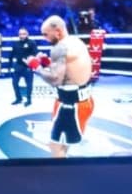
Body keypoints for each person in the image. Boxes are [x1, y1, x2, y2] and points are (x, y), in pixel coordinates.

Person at [39, 13, 96, 153]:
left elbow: (55, 79)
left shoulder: (60, 48)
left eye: (46, 34)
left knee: (55, 146)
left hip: (70, 106)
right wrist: (47, 62)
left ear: (57, 32)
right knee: (64, 144)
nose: (44, 38)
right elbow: (69, 69)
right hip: (83, 101)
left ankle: (59, 166)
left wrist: (36, 67)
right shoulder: (76, 41)